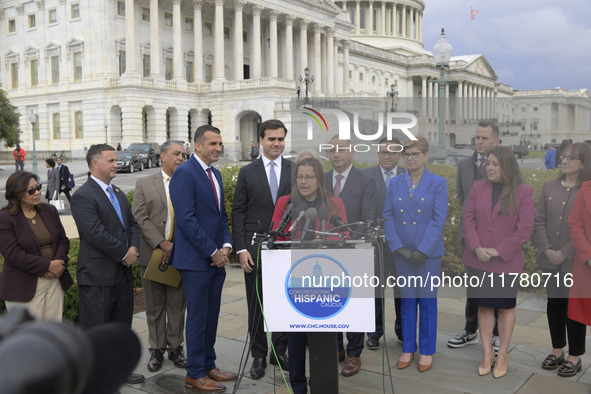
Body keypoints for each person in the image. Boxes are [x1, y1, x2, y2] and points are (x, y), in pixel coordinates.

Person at [271, 156, 348, 394]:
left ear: (319, 180)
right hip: (294, 278)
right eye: (300, 177)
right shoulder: (286, 203)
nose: (304, 182)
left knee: (325, 335)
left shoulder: (334, 204)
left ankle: (322, 382)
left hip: (326, 280)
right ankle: (298, 385)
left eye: (309, 177)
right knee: (295, 336)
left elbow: (343, 237)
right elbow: (277, 235)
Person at [169, 125, 237, 392]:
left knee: (211, 316)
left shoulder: (215, 174)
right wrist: (212, 252)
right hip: (196, 261)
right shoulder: (185, 173)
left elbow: (220, 215)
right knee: (197, 318)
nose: (218, 148)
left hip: (217, 259)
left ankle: (209, 365)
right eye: (213, 144)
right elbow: (186, 220)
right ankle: (194, 373)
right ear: (197, 146)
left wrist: (227, 246)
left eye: (220, 143)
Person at [71, 144, 144, 385]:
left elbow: (132, 224)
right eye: (111, 161)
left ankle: (119, 371)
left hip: (121, 275)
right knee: (97, 332)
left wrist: (133, 249)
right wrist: (124, 253)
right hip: (97, 277)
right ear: (95, 164)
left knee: (121, 328)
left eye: (116, 160)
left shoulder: (119, 193)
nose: (117, 164)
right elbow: (94, 233)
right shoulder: (83, 195)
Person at [462, 146, 534, 379]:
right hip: (478, 259)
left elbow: (524, 230)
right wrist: (477, 247)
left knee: (504, 307)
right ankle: (486, 354)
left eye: (495, 164)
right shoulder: (477, 187)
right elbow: (468, 221)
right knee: (483, 306)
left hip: (505, 261)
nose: (490, 167)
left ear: (507, 166)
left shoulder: (523, 192)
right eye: (488, 163)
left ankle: (502, 353)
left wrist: (498, 251)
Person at [232, 119, 291, 379]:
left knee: (282, 303)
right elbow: (238, 212)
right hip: (254, 249)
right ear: (261, 141)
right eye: (272, 139)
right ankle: (258, 355)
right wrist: (241, 249)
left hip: (286, 247)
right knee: (256, 305)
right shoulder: (248, 172)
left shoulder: (294, 168)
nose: (277, 143)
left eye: (280, 139)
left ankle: (279, 351)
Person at [383, 137, 447, 373]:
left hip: (428, 254)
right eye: (407, 154)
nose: (410, 158)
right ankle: (408, 347)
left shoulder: (438, 183)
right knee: (407, 301)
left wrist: (422, 250)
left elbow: (439, 219)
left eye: (415, 154)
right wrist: (397, 246)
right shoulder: (396, 183)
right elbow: (387, 216)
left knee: (427, 301)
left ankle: (427, 350)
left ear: (426, 155)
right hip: (402, 253)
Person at [534, 143, 591, 377]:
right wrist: (547, 249)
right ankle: (557, 349)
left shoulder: (585, 191)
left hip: (574, 263)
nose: (565, 161)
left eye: (572, 158)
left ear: (584, 164)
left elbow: (582, 229)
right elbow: (538, 222)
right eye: (564, 156)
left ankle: (574, 356)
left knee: (573, 307)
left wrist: (565, 253)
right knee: (554, 304)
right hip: (549, 261)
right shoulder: (549, 186)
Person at [132, 140, 188, 373]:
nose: (181, 158)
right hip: (152, 254)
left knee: (177, 305)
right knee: (154, 307)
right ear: (163, 156)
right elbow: (140, 216)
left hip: (181, 255)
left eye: (183, 155)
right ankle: (156, 349)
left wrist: (176, 246)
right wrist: (162, 243)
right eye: (176, 154)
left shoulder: (188, 182)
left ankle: (176, 347)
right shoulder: (144, 183)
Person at [325, 136, 377, 377]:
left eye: (342, 149)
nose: (336, 154)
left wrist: (348, 242)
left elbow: (368, 218)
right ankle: (336, 348)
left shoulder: (366, 181)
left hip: (355, 252)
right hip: (326, 253)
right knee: (332, 302)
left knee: (354, 304)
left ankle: (354, 353)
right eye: (332, 150)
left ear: (352, 152)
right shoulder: (322, 180)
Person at [449, 120, 501, 350]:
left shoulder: (507, 166)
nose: (479, 142)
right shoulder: (464, 165)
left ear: (496, 141)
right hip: (471, 237)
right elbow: (463, 199)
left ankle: (498, 334)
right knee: (474, 287)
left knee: (499, 287)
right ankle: (470, 330)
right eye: (477, 138)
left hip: (498, 239)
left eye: (484, 138)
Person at [0, 171, 73, 321]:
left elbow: (62, 240)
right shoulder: (5, 218)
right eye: (31, 190)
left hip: (55, 280)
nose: (37, 192)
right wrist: (47, 266)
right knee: (29, 338)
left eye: (38, 187)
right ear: (17, 193)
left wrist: (58, 264)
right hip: (24, 286)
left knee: (52, 333)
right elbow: (13, 254)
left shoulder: (49, 210)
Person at [363, 137, 405, 349]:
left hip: (401, 245)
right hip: (375, 243)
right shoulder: (366, 176)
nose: (386, 155)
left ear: (399, 154)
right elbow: (362, 207)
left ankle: (402, 331)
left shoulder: (408, 176)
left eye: (391, 152)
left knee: (402, 290)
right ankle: (374, 332)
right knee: (375, 290)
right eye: (382, 152)